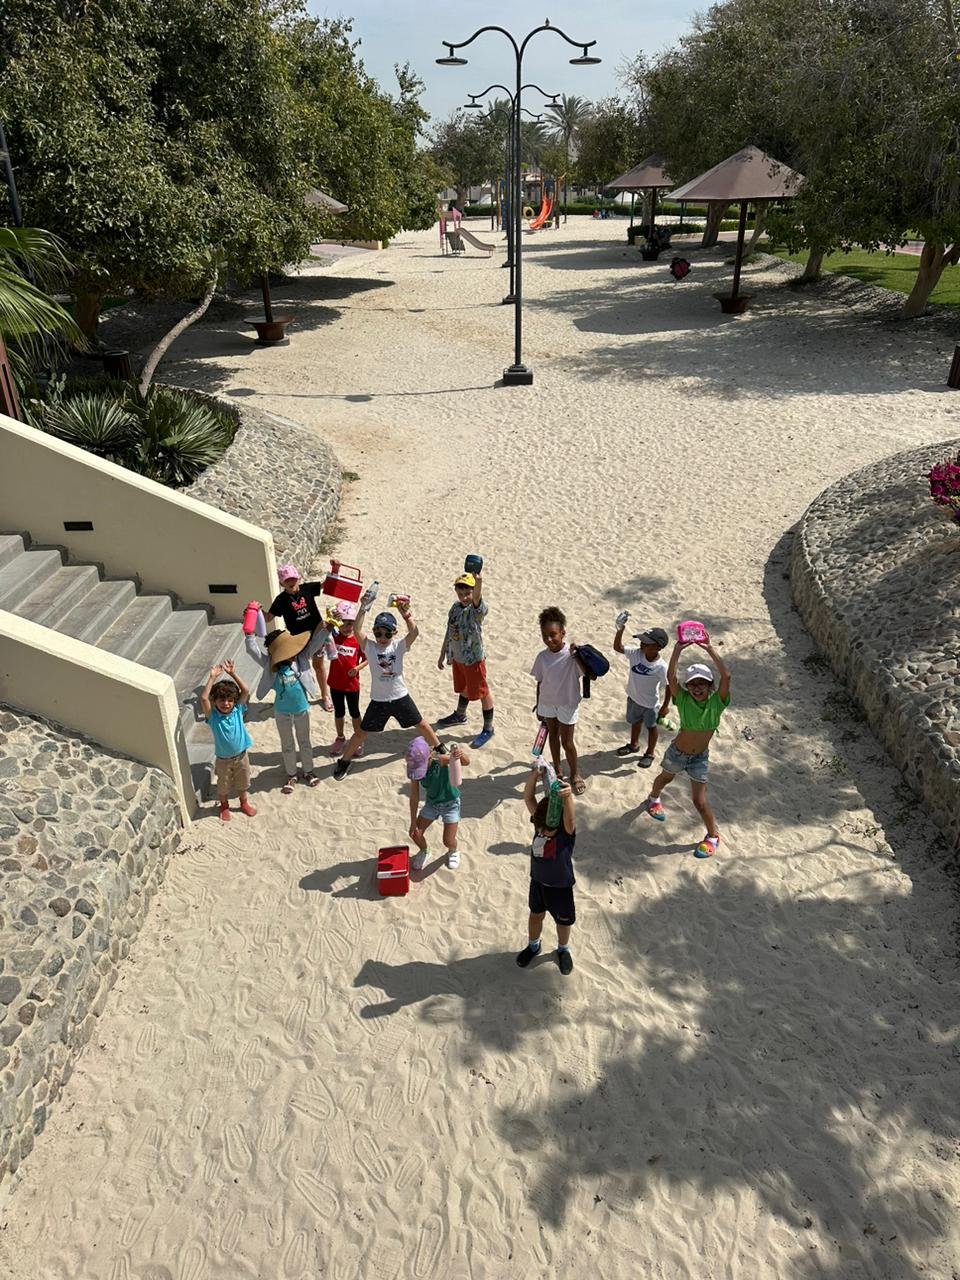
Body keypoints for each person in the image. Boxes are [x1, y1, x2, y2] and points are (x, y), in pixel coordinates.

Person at [333, 597, 439, 780]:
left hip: (400, 696)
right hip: (379, 701)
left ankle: (439, 748)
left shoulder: (398, 646)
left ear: (394, 633)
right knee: (360, 733)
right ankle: (344, 761)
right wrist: (364, 607)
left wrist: (406, 615)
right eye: (378, 633)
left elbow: (414, 632)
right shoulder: (369, 647)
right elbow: (357, 629)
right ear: (374, 632)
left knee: (421, 724)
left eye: (387, 634)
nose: (382, 638)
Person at [644, 638, 731, 858]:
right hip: (677, 753)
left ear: (710, 685)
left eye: (702, 683)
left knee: (699, 802)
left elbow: (726, 676)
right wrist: (677, 650)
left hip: (699, 758)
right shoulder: (682, 700)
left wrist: (709, 649)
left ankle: (713, 836)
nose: (697, 688)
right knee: (664, 778)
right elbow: (670, 677)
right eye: (692, 684)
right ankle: (653, 798)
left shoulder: (717, 703)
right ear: (687, 687)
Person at [516, 762, 576, 976]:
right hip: (538, 883)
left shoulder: (565, 833)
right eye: (538, 829)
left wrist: (567, 796)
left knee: (563, 922)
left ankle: (563, 949)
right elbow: (528, 798)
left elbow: (570, 818)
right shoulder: (542, 823)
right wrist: (534, 775)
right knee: (535, 915)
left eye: (546, 831)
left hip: (560, 887)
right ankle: (534, 945)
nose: (541, 832)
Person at [245, 627, 320, 792]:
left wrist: (327, 629)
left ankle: (308, 771)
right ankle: (291, 774)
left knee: (304, 741)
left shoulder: (301, 659)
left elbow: (315, 644)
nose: (294, 651)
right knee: (287, 744)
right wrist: (249, 634)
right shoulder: (269, 664)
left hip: (302, 709)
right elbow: (253, 651)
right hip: (281, 712)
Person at [437, 570, 495, 748]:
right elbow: (449, 631)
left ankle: (488, 728)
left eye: (467, 593)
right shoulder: (455, 608)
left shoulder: (475, 611)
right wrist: (442, 653)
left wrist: (478, 583)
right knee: (463, 687)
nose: (464, 597)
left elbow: (477, 600)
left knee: (483, 692)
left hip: (473, 659)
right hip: (458, 657)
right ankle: (460, 715)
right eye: (460, 593)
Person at [530, 606, 586, 794]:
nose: (549, 639)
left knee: (567, 742)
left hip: (567, 704)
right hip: (547, 703)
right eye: (544, 636)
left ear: (563, 633)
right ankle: (559, 770)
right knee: (553, 736)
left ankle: (575, 773)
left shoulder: (572, 656)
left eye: (553, 634)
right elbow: (540, 682)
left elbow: (588, 673)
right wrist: (539, 705)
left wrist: (579, 655)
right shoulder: (542, 657)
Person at [264, 563, 333, 711]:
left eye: (293, 578)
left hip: (317, 634)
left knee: (318, 666)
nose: (291, 582)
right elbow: (268, 618)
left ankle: (325, 696)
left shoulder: (307, 589)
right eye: (287, 580)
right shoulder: (281, 600)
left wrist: (335, 569)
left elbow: (325, 585)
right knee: (301, 669)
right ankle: (302, 697)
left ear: (298, 578)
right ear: (282, 583)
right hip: (298, 642)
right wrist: (256, 611)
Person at [200, 660, 256, 822]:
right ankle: (224, 806)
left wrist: (232, 673)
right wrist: (212, 678)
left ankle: (244, 803)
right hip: (223, 760)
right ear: (215, 701)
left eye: (230, 700)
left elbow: (245, 690)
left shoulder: (238, 710)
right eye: (222, 700)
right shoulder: (213, 717)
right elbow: (204, 698)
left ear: (234, 701)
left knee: (243, 783)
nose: (226, 704)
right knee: (223, 786)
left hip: (242, 756)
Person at [406, 737, 470, 872]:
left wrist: (460, 755)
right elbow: (414, 797)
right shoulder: (414, 770)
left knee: (448, 841)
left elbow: (466, 762)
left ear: (429, 756)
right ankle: (425, 850)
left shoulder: (440, 761)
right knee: (415, 833)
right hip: (432, 804)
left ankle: (453, 851)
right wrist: (413, 822)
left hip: (451, 804)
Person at [613, 623, 670, 767]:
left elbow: (669, 686)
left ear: (658, 647)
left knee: (651, 728)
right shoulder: (636, 653)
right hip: (633, 698)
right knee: (635, 722)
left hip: (650, 704)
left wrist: (665, 706)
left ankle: (650, 753)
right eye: (642, 641)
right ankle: (634, 745)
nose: (642, 644)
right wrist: (620, 630)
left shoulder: (661, 667)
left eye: (646, 643)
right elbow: (618, 647)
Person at [326, 601, 368, 757]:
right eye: (343, 623)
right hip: (335, 683)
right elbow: (322, 634)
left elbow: (367, 659)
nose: (346, 627)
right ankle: (340, 737)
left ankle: (358, 739)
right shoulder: (333, 637)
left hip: (352, 685)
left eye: (350, 623)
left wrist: (357, 668)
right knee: (339, 712)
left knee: (355, 712)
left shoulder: (358, 640)